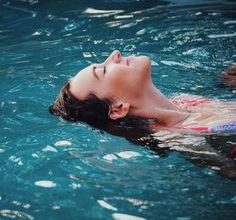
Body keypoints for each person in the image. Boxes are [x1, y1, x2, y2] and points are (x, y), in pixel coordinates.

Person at [49, 50, 236, 133]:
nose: (115, 54)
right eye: (103, 70)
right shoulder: (181, 136)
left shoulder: (185, 101)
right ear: (117, 109)